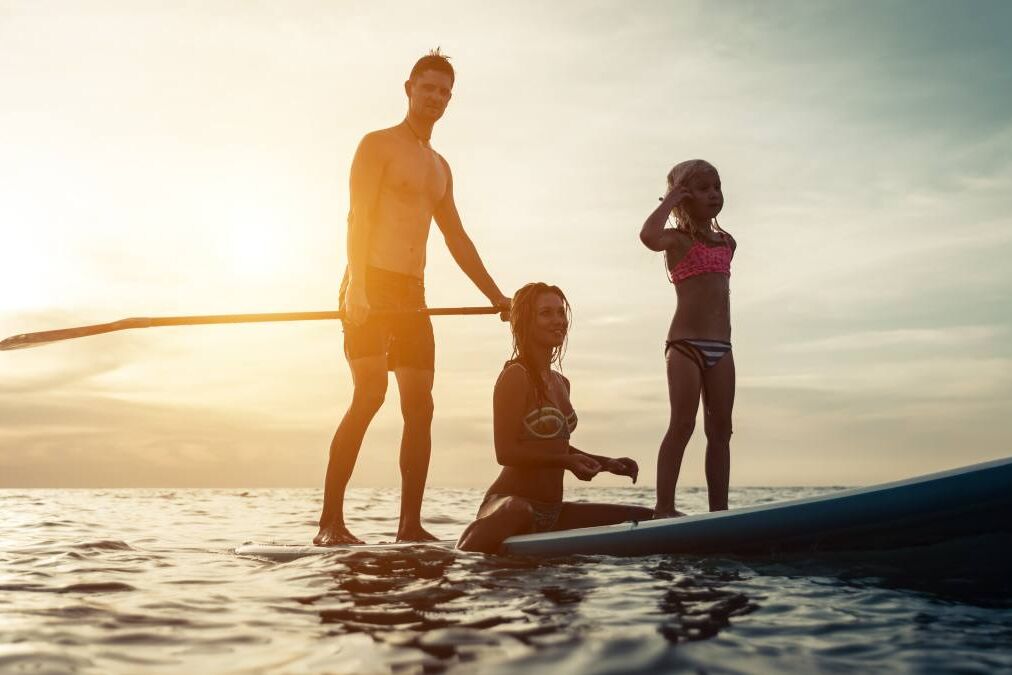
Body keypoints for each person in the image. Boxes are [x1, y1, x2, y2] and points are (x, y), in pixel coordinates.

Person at [315, 50, 511, 546]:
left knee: (420, 408)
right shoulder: (376, 145)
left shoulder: (440, 167)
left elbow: (457, 239)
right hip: (368, 282)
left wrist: (497, 296)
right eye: (428, 88)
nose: (436, 98)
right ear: (409, 88)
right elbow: (357, 217)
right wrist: (357, 287)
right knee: (369, 396)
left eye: (444, 92)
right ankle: (329, 524)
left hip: (411, 292)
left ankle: (409, 527)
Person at [456, 283, 652, 554]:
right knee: (518, 509)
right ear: (526, 321)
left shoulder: (562, 383)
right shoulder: (515, 376)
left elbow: (556, 448)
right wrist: (566, 462)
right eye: (546, 313)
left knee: (644, 517)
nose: (558, 320)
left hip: (552, 512)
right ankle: (459, 556)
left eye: (561, 313)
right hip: (506, 506)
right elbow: (506, 452)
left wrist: (607, 463)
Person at [639, 159, 735, 517]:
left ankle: (719, 512)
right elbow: (648, 235)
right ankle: (664, 508)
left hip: (721, 348)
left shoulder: (728, 242)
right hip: (685, 347)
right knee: (682, 423)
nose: (713, 194)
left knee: (721, 430)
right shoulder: (676, 240)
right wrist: (670, 199)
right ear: (683, 197)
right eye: (703, 188)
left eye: (717, 186)